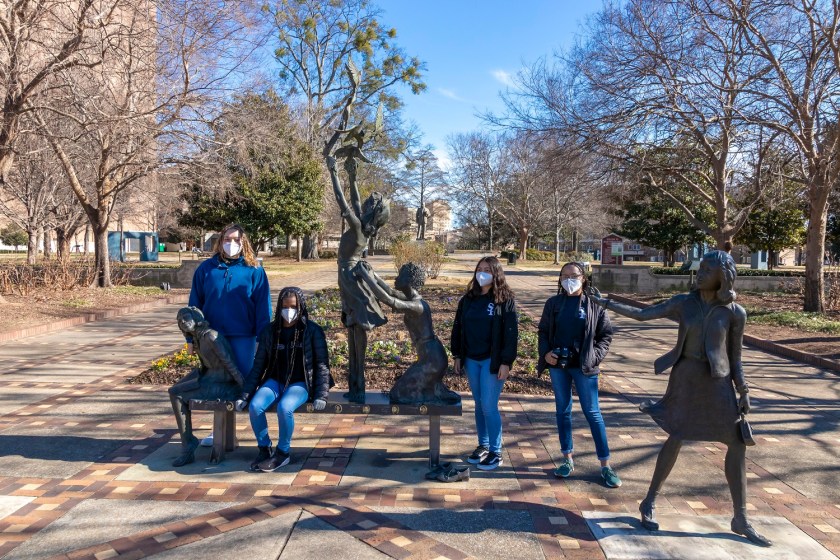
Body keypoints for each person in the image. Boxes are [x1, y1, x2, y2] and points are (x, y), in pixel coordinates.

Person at [592, 250, 770, 546]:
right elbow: (642, 314)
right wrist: (605, 302)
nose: (699, 274)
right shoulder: (683, 304)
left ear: (722, 276)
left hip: (718, 383)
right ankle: (649, 501)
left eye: (707, 269)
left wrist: (744, 390)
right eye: (700, 268)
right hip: (686, 379)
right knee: (677, 435)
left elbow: (736, 357)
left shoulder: (735, 312)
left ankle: (740, 517)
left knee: (737, 443)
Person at [187, 224, 272, 445]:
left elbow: (263, 309)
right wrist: (191, 339)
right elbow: (193, 307)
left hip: (244, 337)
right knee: (218, 383)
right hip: (211, 339)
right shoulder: (206, 269)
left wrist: (264, 339)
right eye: (227, 239)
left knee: (241, 384)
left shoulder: (255, 271)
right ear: (220, 240)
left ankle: (258, 433)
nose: (231, 243)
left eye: (236, 240)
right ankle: (220, 432)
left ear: (244, 242)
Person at [537, 262, 620, 488]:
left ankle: (605, 465)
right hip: (558, 367)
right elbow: (543, 331)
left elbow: (605, 336)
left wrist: (593, 358)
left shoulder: (595, 305)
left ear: (583, 278)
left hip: (585, 367)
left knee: (593, 413)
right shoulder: (553, 303)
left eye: (573, 275)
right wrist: (546, 354)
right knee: (562, 411)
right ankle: (567, 459)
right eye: (564, 276)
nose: (569, 280)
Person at [237, 287, 332, 472]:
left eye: (294, 306)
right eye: (285, 306)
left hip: (301, 383)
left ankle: (283, 453)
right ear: (279, 306)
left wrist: (322, 395)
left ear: (301, 307)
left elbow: (322, 365)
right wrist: (245, 394)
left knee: (285, 407)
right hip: (275, 381)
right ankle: (264, 449)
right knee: (256, 407)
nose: (289, 311)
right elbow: (258, 366)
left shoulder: (312, 331)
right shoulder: (270, 331)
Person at [325, 154, 391, 404]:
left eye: (368, 203)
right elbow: (352, 198)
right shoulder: (361, 226)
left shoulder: (356, 227)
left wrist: (334, 173)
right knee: (353, 331)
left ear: (371, 212)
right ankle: (356, 387)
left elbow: (343, 202)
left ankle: (359, 387)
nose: (363, 203)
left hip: (351, 279)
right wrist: (352, 176)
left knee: (357, 332)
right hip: (349, 277)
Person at [354, 261, 460, 405]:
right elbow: (390, 292)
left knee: (399, 395)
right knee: (397, 393)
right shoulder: (412, 299)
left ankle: (433, 394)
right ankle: (434, 391)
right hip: (427, 356)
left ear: (409, 280)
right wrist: (373, 274)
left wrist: (366, 276)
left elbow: (390, 300)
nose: (395, 279)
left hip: (433, 359)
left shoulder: (418, 306)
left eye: (400, 275)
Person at [450, 256, 518, 471]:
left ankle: (496, 452)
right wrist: (457, 355)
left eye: (487, 269)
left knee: (489, 406)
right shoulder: (468, 299)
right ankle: (484, 444)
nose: (482, 273)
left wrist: (506, 362)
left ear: (496, 272)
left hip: (493, 361)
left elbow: (511, 333)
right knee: (479, 405)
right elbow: (458, 327)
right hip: (471, 359)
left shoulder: (504, 299)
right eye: (479, 269)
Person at [169, 307, 244, 467]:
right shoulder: (197, 337)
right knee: (174, 390)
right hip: (208, 377)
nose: (182, 321)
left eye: (185, 317)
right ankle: (187, 443)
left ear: (196, 318)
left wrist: (245, 389)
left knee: (176, 394)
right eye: (179, 320)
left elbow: (229, 363)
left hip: (221, 384)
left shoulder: (210, 336)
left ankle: (187, 446)